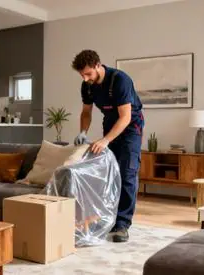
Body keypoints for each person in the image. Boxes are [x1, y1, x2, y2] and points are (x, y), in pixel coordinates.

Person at [71, 50, 145, 243]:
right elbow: (86, 112)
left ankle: (122, 224)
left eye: (88, 73)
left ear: (98, 65)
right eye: (82, 75)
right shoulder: (87, 86)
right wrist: (83, 132)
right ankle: (108, 218)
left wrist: (105, 141)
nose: (85, 78)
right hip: (110, 124)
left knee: (127, 173)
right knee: (109, 173)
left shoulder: (120, 80)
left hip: (130, 127)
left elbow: (126, 117)